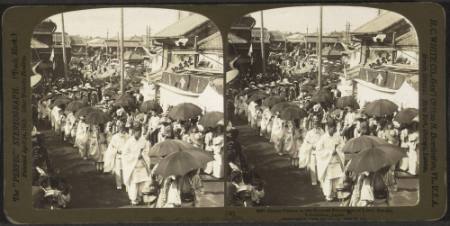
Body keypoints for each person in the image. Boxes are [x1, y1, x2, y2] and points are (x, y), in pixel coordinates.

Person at [315, 120, 345, 201]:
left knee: (338, 177)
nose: (333, 129)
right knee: (329, 179)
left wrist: (338, 150)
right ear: (328, 128)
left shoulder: (337, 136)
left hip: (337, 161)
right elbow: (319, 150)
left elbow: (343, 146)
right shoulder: (323, 138)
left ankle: (337, 193)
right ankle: (328, 195)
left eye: (334, 128)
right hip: (328, 162)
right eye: (331, 128)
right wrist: (330, 152)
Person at [122, 126, 152, 205]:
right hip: (133, 166)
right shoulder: (129, 142)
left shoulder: (144, 141)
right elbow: (125, 154)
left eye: (140, 132)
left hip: (142, 165)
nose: (138, 133)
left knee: (142, 182)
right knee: (134, 183)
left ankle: (140, 196)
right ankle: (133, 199)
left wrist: (143, 155)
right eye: (137, 131)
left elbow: (147, 151)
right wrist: (135, 156)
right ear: (134, 132)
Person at [298, 118, 324, 185]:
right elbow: (306, 142)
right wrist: (311, 146)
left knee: (319, 165)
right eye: (315, 123)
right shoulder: (309, 133)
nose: (316, 125)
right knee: (313, 166)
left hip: (320, 151)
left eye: (317, 123)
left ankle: (320, 179)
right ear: (312, 124)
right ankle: (314, 180)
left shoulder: (322, 131)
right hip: (312, 151)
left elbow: (324, 140)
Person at [103, 123, 129, 190]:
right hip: (117, 156)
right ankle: (119, 184)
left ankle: (125, 183)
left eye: (123, 128)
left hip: (125, 156)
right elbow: (111, 146)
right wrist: (117, 151)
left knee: (125, 170)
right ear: (118, 128)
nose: (122, 130)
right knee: (118, 170)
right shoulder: (115, 137)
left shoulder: (127, 136)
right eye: (120, 128)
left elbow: (129, 145)